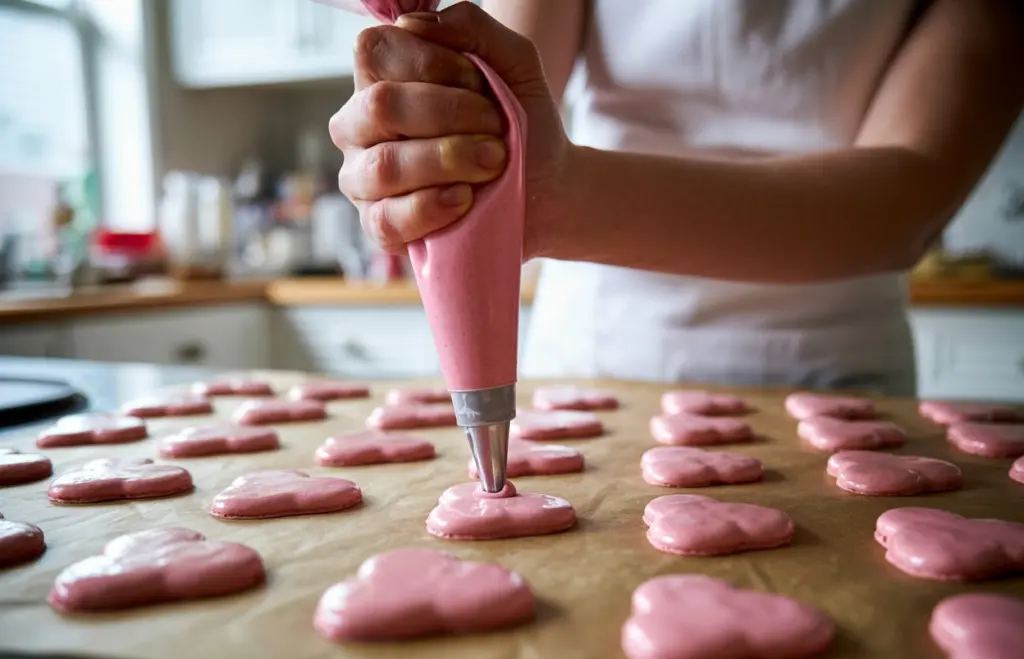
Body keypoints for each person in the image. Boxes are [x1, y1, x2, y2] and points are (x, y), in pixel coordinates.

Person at [329, 0, 1023, 395]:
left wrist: (551, 200)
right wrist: (444, 127)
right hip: (591, 365)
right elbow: (501, 86)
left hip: (834, 373)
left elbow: (906, 200)